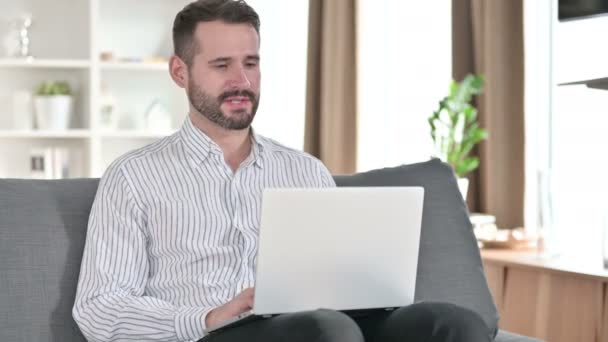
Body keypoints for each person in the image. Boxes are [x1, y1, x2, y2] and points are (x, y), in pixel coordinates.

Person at [72, 0, 491, 341]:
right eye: (222, 65)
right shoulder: (133, 177)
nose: (242, 81)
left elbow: (341, 277)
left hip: (326, 324)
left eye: (251, 63)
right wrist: (208, 317)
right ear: (180, 72)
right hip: (216, 333)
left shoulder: (305, 171)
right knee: (327, 330)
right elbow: (99, 308)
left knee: (454, 324)